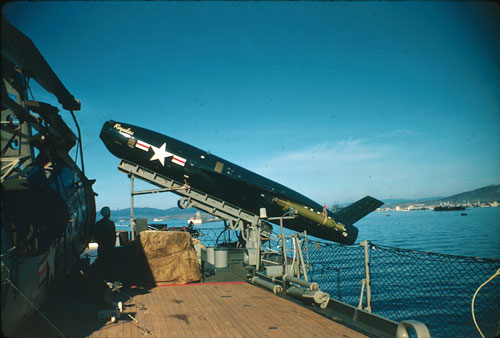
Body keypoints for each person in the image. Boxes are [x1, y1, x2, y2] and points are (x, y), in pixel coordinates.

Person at [93, 206, 116, 278]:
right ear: (109, 214)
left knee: (102, 263)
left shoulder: (98, 224)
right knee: (109, 263)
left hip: (101, 247)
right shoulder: (111, 224)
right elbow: (113, 236)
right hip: (110, 247)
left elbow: (95, 236)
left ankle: (102, 278)